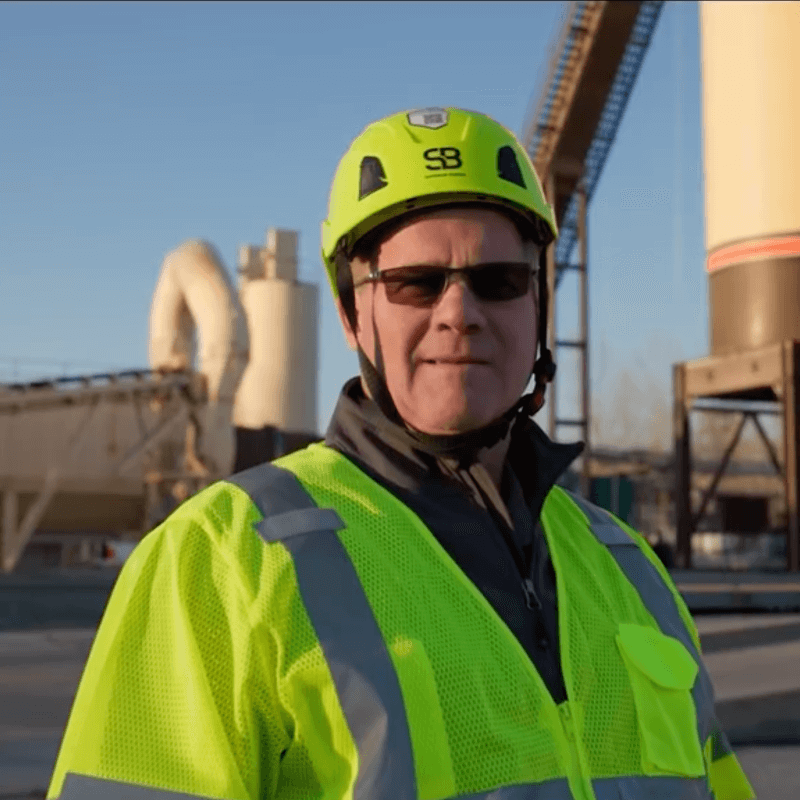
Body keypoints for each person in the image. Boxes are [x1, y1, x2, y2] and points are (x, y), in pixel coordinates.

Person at [47, 107, 754, 800]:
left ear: (537, 305)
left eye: (498, 281)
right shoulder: (222, 561)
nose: (459, 311)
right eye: (415, 282)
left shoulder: (626, 565)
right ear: (354, 313)